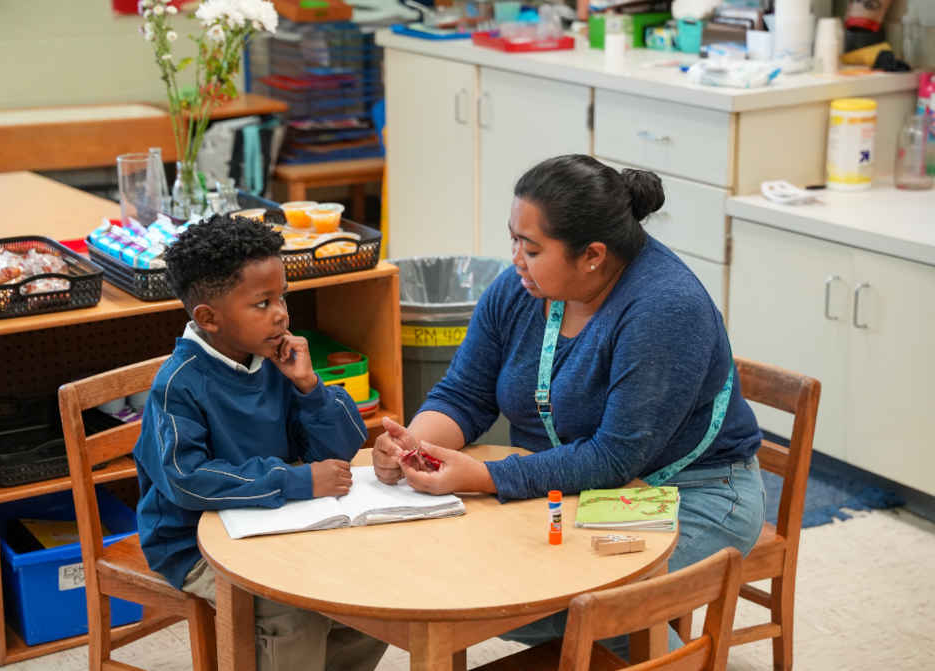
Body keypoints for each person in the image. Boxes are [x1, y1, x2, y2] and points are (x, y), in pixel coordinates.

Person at [373, 155, 765, 653]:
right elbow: (463, 395)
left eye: (531, 247)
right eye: (513, 238)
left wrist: (484, 477)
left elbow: (613, 459)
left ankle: (661, 653)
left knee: (578, 602)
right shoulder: (523, 287)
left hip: (693, 489)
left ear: (593, 255)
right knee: (467, 583)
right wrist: (415, 445)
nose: (514, 257)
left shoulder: (665, 308)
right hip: (570, 484)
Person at [133, 214, 388, 671]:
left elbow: (346, 445)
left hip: (275, 520)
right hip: (191, 544)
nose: (281, 314)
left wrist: (311, 388)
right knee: (293, 610)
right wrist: (294, 481)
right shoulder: (177, 386)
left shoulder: (275, 359)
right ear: (208, 318)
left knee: (369, 593)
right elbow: (187, 481)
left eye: (283, 297)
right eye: (262, 303)